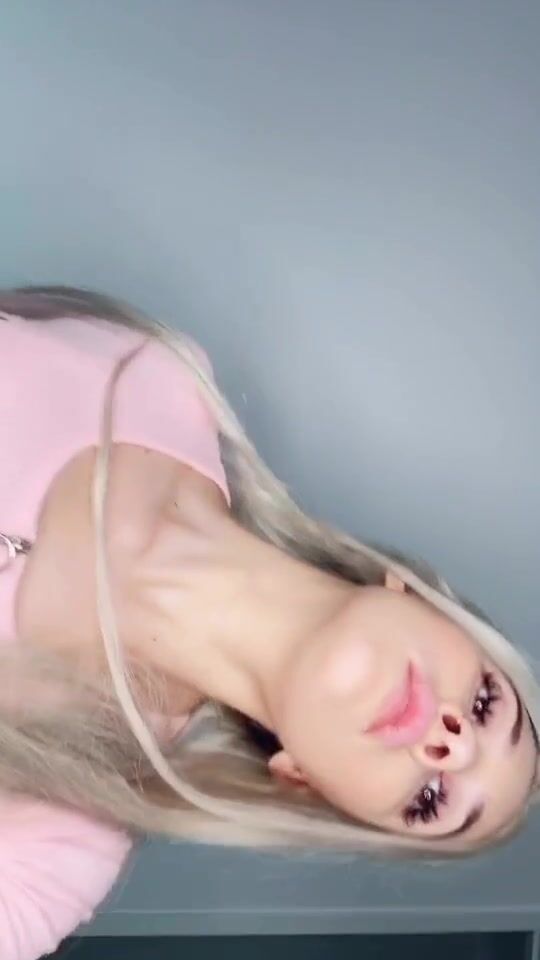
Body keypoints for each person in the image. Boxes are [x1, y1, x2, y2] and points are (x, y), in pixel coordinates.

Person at [0, 286, 538, 960]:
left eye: (430, 801)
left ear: (306, 782)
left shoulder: (72, 821)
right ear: (421, 598)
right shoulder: (156, 375)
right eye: (486, 703)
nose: (454, 747)